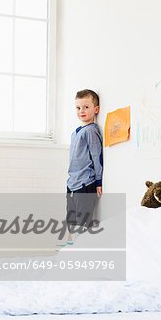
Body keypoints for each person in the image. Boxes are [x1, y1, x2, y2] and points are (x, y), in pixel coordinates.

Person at [66, 89, 103, 242]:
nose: (82, 111)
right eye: (78, 107)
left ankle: (82, 250)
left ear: (96, 109)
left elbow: (97, 156)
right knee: (72, 220)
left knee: (82, 222)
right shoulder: (75, 133)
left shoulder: (91, 131)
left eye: (86, 107)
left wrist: (98, 181)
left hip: (85, 183)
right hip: (72, 183)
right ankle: (71, 247)